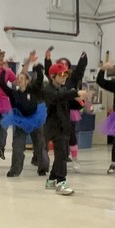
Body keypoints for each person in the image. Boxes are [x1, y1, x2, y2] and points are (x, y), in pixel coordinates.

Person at [43, 59, 89, 196]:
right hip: (54, 127)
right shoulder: (48, 90)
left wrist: (81, 102)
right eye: (61, 75)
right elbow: (57, 97)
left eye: (65, 75)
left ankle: (51, 180)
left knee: (61, 154)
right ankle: (61, 182)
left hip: (64, 126)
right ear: (52, 76)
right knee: (62, 155)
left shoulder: (63, 89)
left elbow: (70, 104)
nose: (64, 78)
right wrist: (75, 93)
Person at [0, 51, 48, 177]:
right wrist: (4, 71)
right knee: (17, 146)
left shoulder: (33, 90)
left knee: (40, 145)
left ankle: (43, 168)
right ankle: (15, 170)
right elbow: (2, 84)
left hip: (35, 119)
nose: (19, 80)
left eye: (22, 78)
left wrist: (35, 64)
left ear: (27, 81)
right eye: (18, 78)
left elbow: (40, 78)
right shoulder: (13, 93)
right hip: (21, 121)